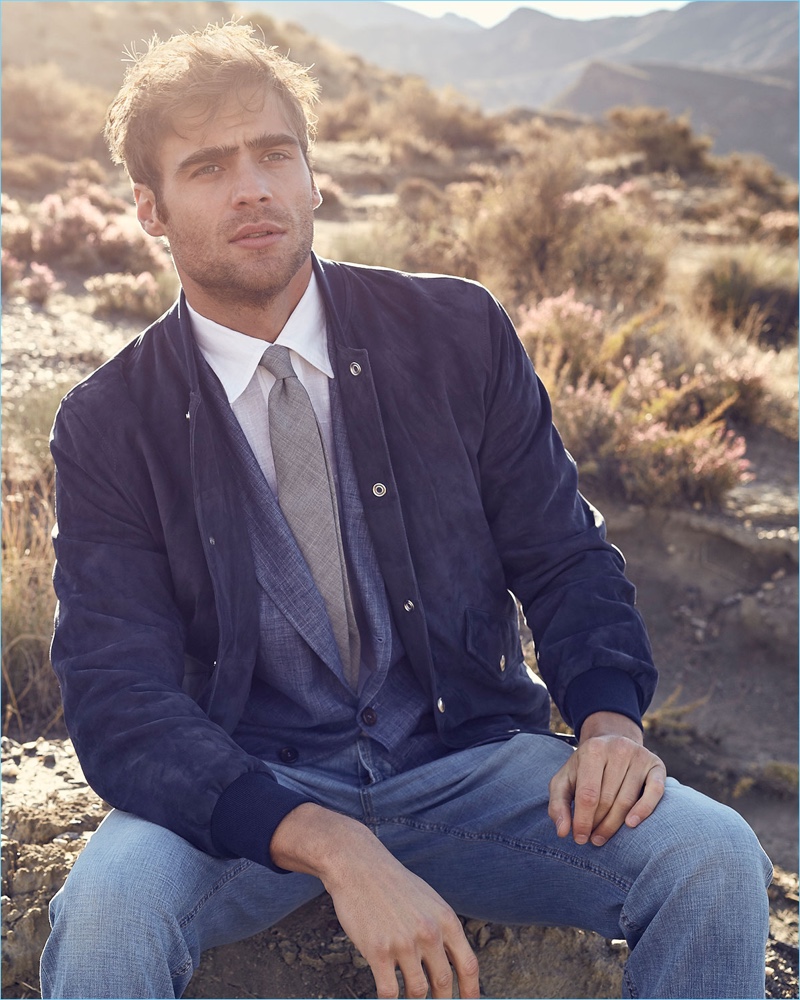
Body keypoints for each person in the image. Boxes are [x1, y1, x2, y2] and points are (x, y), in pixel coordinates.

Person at [41, 21, 771, 1000]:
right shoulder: (106, 421)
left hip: (463, 759)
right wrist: (331, 844)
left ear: (314, 179)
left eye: (273, 155)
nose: (252, 186)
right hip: (249, 787)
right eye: (208, 167)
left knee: (713, 855)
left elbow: (563, 554)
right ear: (149, 210)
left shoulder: (455, 332)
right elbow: (119, 696)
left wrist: (607, 725)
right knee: (107, 910)